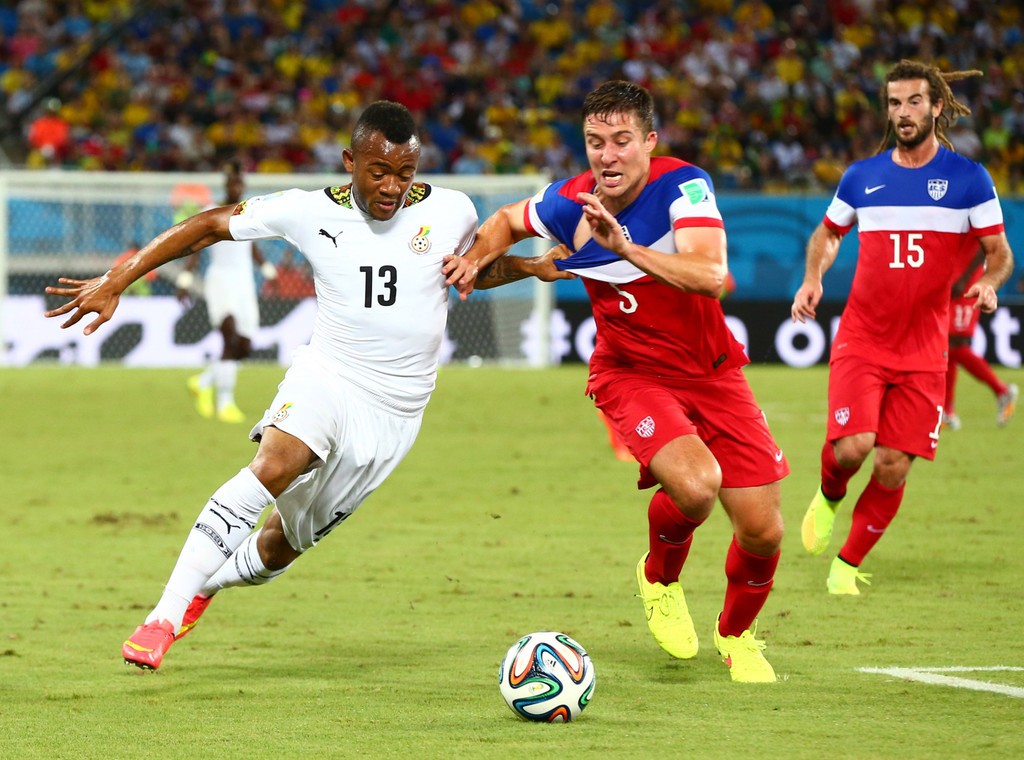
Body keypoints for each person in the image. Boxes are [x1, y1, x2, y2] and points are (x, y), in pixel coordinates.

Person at [44, 101, 483, 671]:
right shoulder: (306, 210)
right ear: (350, 162)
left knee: (280, 547)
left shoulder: (454, 210)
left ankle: (206, 586)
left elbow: (472, 269)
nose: (392, 187)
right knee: (275, 464)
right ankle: (163, 616)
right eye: (378, 172)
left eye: (404, 173)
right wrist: (117, 279)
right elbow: (208, 225)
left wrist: (531, 266)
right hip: (330, 373)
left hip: (397, 412)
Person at [444, 80, 788, 683]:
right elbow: (505, 219)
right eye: (595, 141)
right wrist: (477, 259)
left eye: (622, 141)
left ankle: (736, 635)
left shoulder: (684, 187)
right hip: (630, 373)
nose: (608, 155)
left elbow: (711, 275)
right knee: (697, 486)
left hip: (713, 372)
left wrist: (624, 248)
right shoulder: (571, 201)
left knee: (762, 530)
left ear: (650, 141)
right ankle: (659, 578)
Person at [791, 60, 1015, 595]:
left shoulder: (969, 179)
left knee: (893, 464)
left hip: (925, 349)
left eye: (914, 101)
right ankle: (829, 495)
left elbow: (999, 252)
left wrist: (990, 282)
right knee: (853, 447)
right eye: (895, 103)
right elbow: (828, 233)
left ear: (936, 106)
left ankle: (846, 566)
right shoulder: (862, 177)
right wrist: (813, 277)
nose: (904, 113)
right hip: (864, 336)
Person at [176, 161, 280, 423]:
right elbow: (196, 248)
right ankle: (225, 402)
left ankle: (203, 382)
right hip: (220, 280)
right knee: (230, 337)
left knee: (244, 346)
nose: (236, 188)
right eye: (233, 183)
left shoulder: (250, 212)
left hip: (244, 283)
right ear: (226, 185)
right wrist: (185, 280)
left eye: (240, 183)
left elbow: (252, 247)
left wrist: (268, 272)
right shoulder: (211, 212)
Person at [943, 250, 1018, 430]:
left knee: (955, 341)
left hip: (967, 284)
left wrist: (964, 279)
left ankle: (1002, 391)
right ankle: (947, 411)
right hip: (953, 280)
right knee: (948, 343)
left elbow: (982, 246)